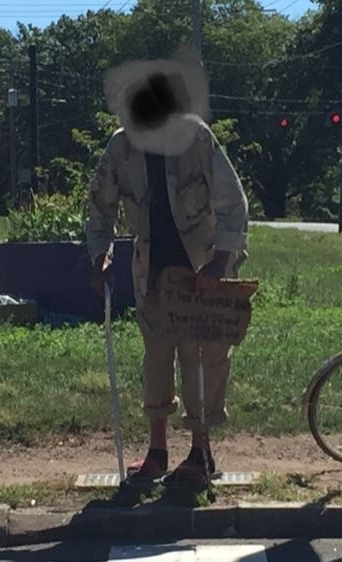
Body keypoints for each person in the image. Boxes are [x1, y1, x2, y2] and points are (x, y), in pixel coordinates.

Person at [86, 71, 249, 487]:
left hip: (202, 266)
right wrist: (99, 255)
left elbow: (234, 203)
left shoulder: (196, 138)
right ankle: (157, 451)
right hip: (153, 268)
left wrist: (221, 263)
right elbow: (100, 207)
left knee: (201, 359)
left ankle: (201, 451)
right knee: (157, 357)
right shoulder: (120, 148)